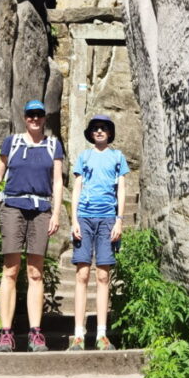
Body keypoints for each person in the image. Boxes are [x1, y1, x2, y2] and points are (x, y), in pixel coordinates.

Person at [0, 100, 63, 352]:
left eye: (39, 115)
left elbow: (57, 182)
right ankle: (6, 333)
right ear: (25, 118)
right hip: (13, 207)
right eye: (30, 115)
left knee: (35, 272)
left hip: (41, 209)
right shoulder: (11, 142)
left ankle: (36, 333)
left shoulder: (53, 145)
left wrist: (56, 213)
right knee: (10, 270)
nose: (35, 119)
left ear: (45, 118)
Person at [68, 114, 130, 351]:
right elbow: (77, 187)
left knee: (103, 276)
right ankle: (78, 335)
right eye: (95, 128)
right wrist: (73, 219)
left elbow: (122, 189)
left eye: (104, 128)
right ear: (91, 133)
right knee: (82, 274)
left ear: (110, 133)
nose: (100, 131)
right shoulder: (84, 156)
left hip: (107, 219)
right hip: (84, 218)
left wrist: (119, 221)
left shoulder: (117, 156)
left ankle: (102, 334)